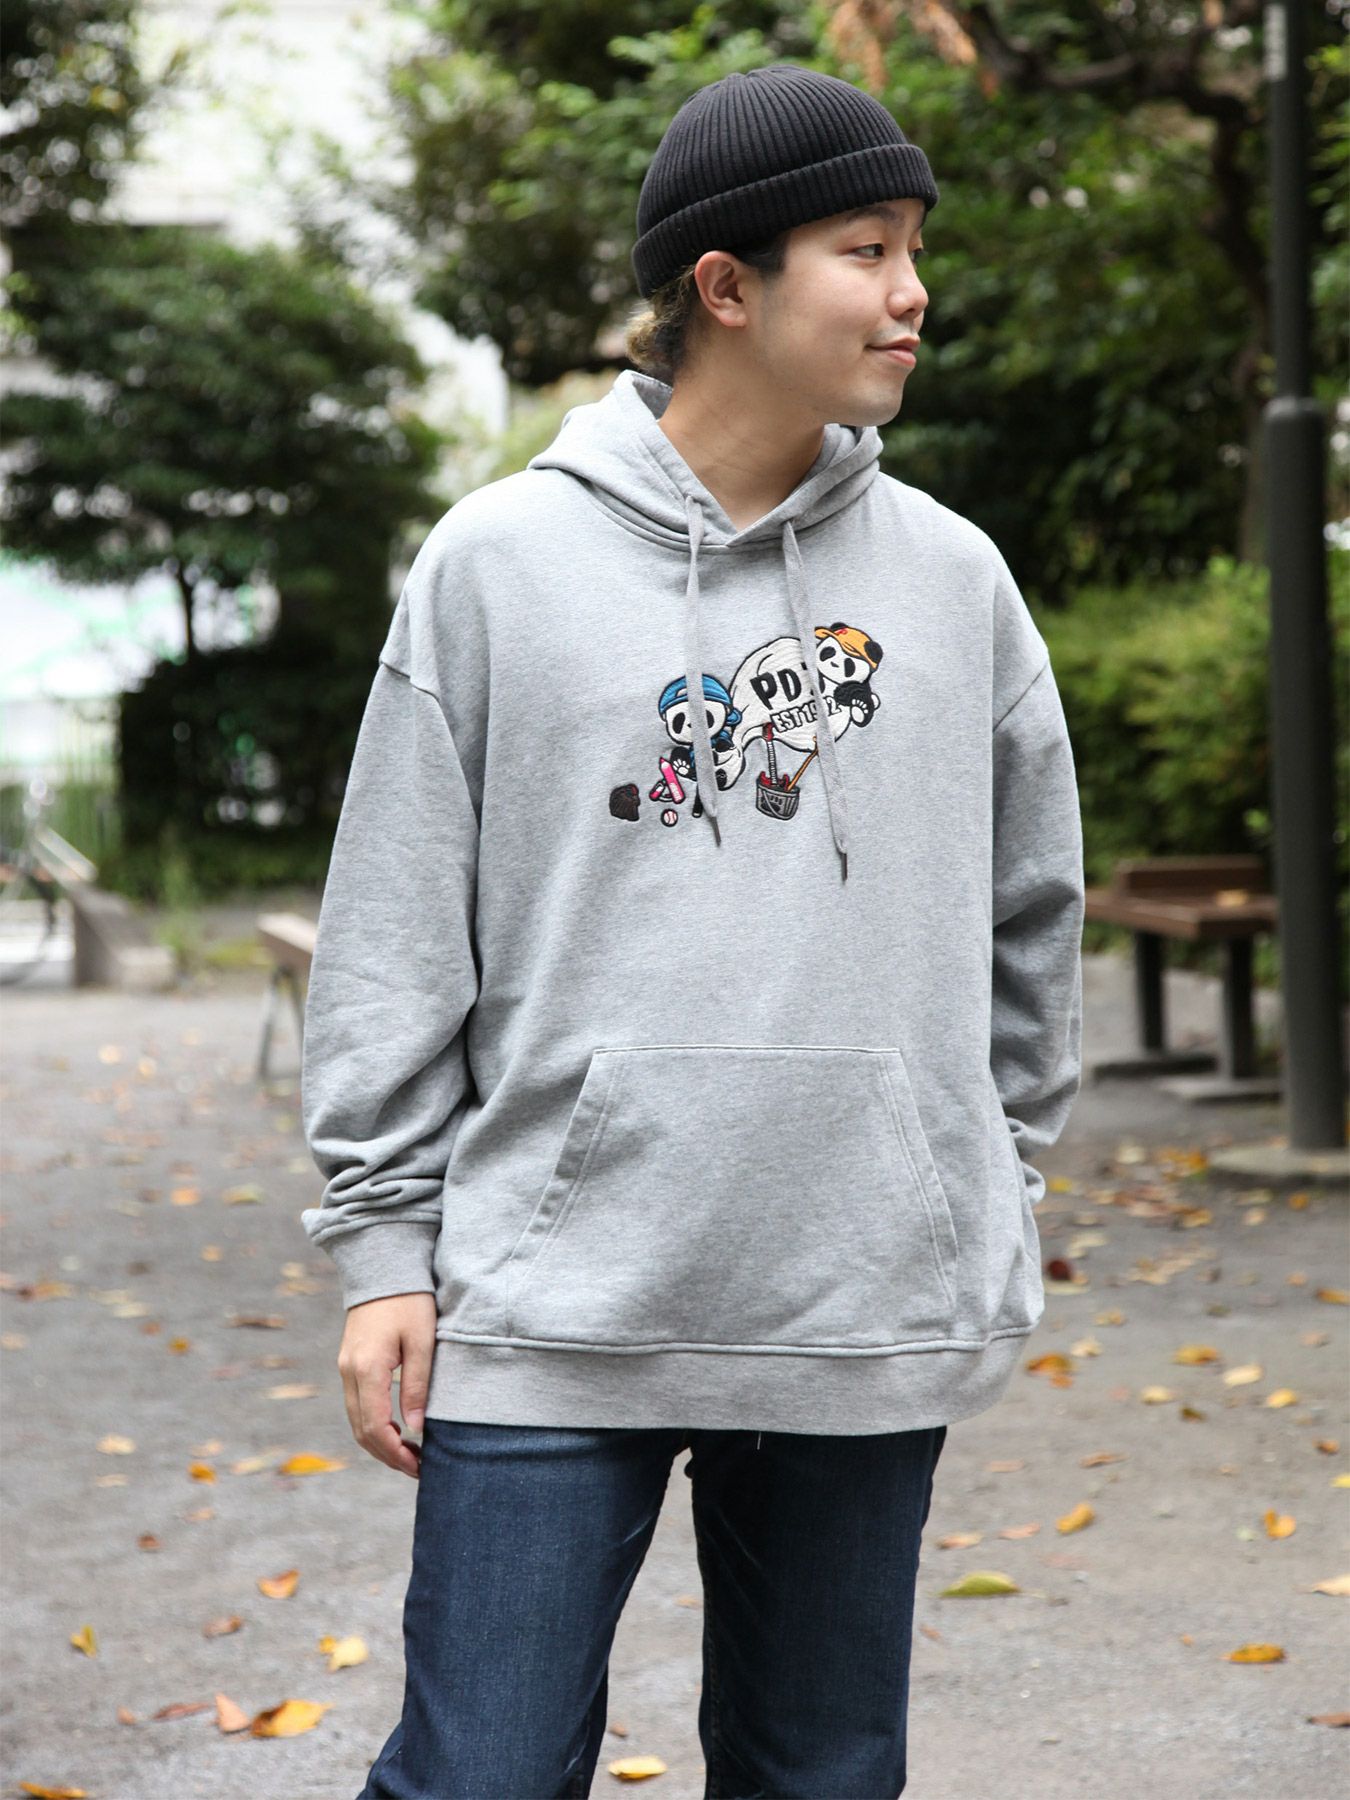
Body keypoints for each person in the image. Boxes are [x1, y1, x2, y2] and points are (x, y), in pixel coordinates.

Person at [300, 60, 1085, 1800]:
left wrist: (980, 1180)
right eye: (866, 250)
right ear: (725, 287)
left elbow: (1034, 912)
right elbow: (394, 929)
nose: (912, 291)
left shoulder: (951, 580)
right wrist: (385, 1251)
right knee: (479, 1774)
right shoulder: (497, 565)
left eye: (912, 249)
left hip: (854, 1298)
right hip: (549, 1301)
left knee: (819, 1775)